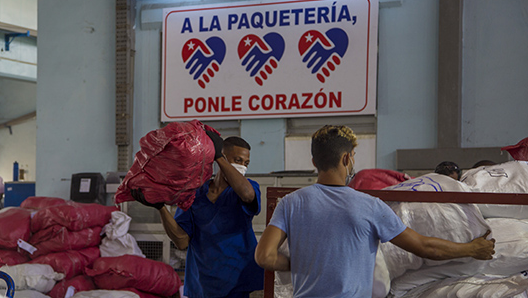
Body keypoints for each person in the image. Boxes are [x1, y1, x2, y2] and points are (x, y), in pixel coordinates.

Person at [255, 125, 496, 298]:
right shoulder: (369, 205)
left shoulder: (290, 203)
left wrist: (302, 262)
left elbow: (264, 257)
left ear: (314, 162)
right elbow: (424, 247)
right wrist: (472, 248)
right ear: (347, 158)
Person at [132, 132, 264, 298]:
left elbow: (247, 195)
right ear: (221, 156)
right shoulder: (194, 195)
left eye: (246, 163)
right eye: (238, 160)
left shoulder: (248, 187)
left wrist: (219, 158)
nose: (243, 167)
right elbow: (181, 241)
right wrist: (160, 208)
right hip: (202, 283)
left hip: (238, 281)